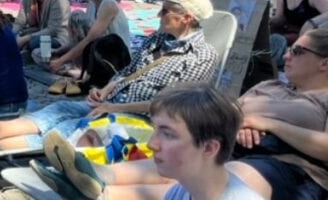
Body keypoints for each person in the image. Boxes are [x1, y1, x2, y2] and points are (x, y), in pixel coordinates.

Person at [38, 29, 328, 200]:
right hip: (231, 144)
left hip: (287, 164)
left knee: (219, 177)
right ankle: (95, 178)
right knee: (182, 157)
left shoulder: (323, 99)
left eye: (299, 51)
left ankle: (101, 193)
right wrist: (239, 125)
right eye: (290, 49)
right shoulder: (270, 85)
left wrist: (268, 123)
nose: (287, 55)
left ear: (324, 64)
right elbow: (227, 112)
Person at [0, 0, 217, 152]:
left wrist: (113, 107)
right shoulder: (157, 40)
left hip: (144, 119)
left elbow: (169, 106)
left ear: (187, 18)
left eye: (165, 10)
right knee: (59, 108)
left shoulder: (201, 56)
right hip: (113, 101)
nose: (159, 14)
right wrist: (103, 90)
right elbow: (127, 72)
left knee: (71, 127)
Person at [30, 85, 262, 200]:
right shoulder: (185, 190)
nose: (152, 144)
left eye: (168, 134)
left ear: (209, 148)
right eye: (156, 130)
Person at [49, 0, 132, 77]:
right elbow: (81, 38)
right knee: (77, 15)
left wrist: (61, 60)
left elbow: (89, 39)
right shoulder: (93, 3)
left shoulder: (108, 5)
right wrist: (59, 51)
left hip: (114, 56)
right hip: (98, 48)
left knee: (77, 18)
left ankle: (82, 70)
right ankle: (77, 67)